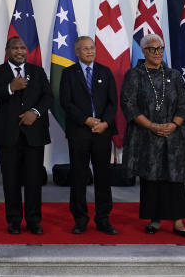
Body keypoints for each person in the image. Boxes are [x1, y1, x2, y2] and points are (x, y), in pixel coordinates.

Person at [121, 34, 185, 238]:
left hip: (173, 137)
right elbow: (129, 104)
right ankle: (154, 219)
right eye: (152, 49)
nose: (157, 52)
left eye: (160, 48)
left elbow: (183, 105)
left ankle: (179, 222)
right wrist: (152, 126)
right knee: (151, 180)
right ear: (144, 52)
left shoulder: (174, 75)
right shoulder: (134, 75)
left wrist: (173, 125)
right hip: (146, 137)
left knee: (175, 179)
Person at [0, 36, 52, 235]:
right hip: (9, 135)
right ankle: (14, 220)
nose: (20, 51)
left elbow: (48, 97)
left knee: (33, 180)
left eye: (23, 47)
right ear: (7, 50)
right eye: (15, 48)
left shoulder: (37, 72)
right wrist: (10, 88)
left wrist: (36, 113)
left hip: (34, 135)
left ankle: (33, 220)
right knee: (11, 181)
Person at [58, 36, 118, 235]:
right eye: (85, 49)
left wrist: (105, 123)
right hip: (79, 132)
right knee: (79, 176)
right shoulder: (68, 74)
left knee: (103, 176)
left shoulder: (105, 72)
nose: (90, 51)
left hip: (103, 132)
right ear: (76, 52)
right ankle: (80, 219)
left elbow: (112, 102)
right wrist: (87, 120)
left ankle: (103, 219)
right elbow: (66, 102)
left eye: (92, 48)